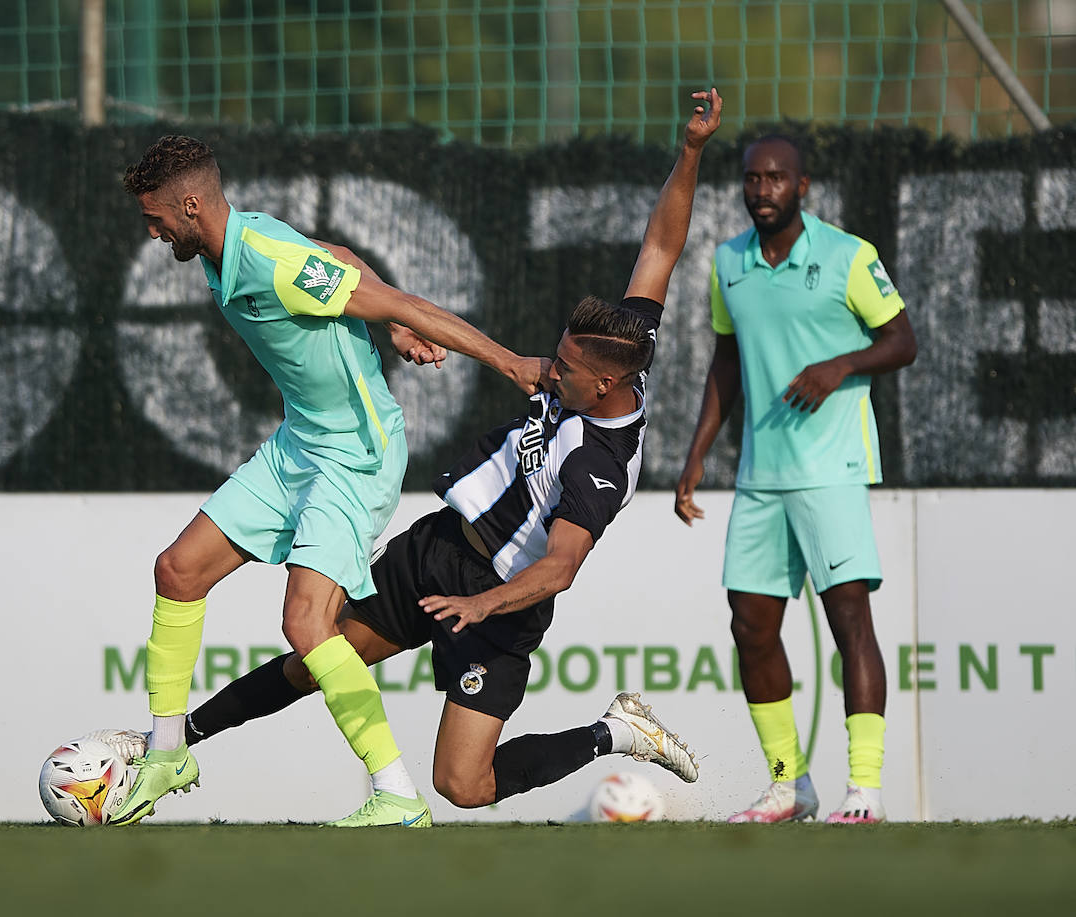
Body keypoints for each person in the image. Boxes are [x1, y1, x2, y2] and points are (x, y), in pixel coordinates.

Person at [156, 89, 723, 816]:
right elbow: (662, 248)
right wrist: (691, 151)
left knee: (464, 785)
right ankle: (174, 742)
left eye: (566, 369)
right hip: (440, 549)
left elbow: (560, 567)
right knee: (313, 658)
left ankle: (613, 732)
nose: (552, 370)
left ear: (606, 384)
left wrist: (480, 603)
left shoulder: (600, 466)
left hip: (496, 603)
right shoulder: (624, 339)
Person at [111, 135, 549, 828]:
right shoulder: (237, 245)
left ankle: (397, 793)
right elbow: (338, 260)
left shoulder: (269, 259)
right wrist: (392, 325)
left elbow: (398, 299)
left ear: (191, 205)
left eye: (156, 217)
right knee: (178, 570)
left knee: (308, 625)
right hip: (299, 444)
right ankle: (168, 752)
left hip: (355, 455)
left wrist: (505, 361)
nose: (152, 230)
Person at [674, 134, 918, 824]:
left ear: (803, 185)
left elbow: (903, 340)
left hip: (830, 471)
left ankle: (863, 792)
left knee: (850, 622)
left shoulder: (849, 255)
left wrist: (840, 365)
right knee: (749, 626)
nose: (762, 191)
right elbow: (727, 360)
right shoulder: (729, 262)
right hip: (760, 476)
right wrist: (696, 455)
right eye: (753, 179)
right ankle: (790, 784)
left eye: (776, 178)